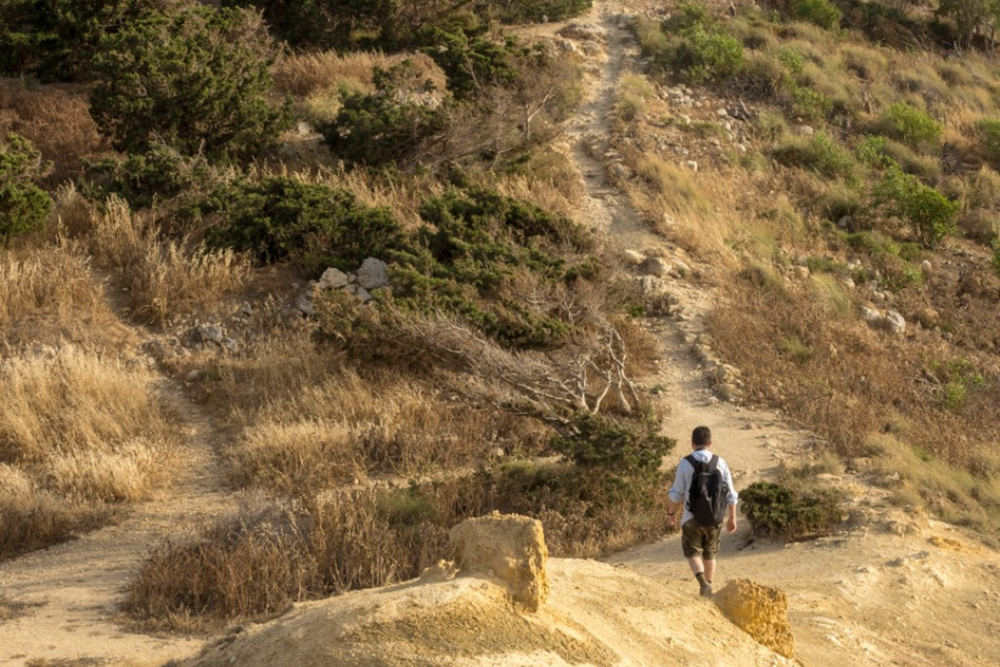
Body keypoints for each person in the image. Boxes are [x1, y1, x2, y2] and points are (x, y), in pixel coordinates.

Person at [666, 425, 738, 597]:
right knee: (710, 553)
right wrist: (732, 518)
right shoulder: (720, 462)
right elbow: (731, 493)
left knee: (692, 552)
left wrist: (671, 515)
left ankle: (702, 583)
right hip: (715, 517)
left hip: (691, 517)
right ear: (710, 443)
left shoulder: (686, 462)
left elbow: (675, 493)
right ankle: (709, 587)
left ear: (692, 443)